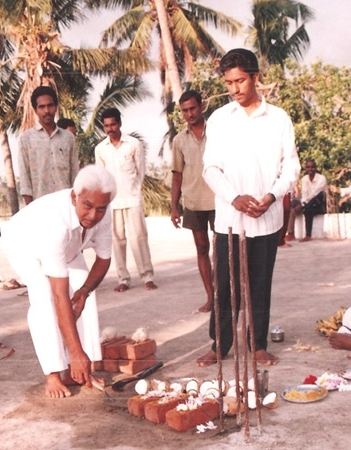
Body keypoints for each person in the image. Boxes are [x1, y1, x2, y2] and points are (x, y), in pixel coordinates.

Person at [197, 48, 300, 368]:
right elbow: (210, 168)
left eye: (240, 80)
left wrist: (271, 196)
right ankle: (219, 344)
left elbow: (291, 167)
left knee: (259, 283)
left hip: (267, 217)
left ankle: (257, 345)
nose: (234, 89)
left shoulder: (279, 118)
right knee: (225, 285)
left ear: (255, 77)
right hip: (230, 218)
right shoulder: (219, 119)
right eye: (229, 83)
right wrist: (234, 198)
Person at [2, 165, 117, 398]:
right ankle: (54, 373)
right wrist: (75, 352)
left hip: (68, 248)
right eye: (87, 206)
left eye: (100, 208)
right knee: (44, 296)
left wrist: (84, 291)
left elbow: (104, 260)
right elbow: (59, 295)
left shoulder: (104, 214)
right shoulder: (55, 223)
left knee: (85, 286)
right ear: (75, 197)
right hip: (24, 244)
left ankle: (81, 368)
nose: (94, 215)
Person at [95, 108, 157, 292]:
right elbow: (101, 177)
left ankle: (147, 276)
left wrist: (134, 192)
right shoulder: (100, 149)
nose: (110, 129)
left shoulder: (133, 144)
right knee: (117, 240)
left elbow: (140, 172)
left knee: (139, 238)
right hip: (112, 203)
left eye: (113, 124)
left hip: (132, 199)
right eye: (106, 126)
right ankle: (123, 279)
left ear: (120, 123)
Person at [171, 90, 215, 312]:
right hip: (193, 202)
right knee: (201, 248)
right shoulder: (179, 140)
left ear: (201, 106)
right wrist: (173, 207)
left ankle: (223, 294)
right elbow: (177, 174)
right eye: (185, 110)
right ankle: (211, 296)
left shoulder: (217, 132)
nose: (189, 114)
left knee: (223, 250)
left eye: (192, 108)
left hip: (219, 200)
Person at [18, 86, 79, 205]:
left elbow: (75, 175)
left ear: (56, 107)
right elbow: (25, 180)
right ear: (35, 110)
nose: (47, 110)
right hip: (40, 204)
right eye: (41, 107)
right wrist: (30, 208)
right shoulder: (26, 138)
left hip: (65, 203)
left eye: (50, 105)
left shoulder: (68, 138)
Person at [288, 159, 327, 242]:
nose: (310, 169)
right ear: (306, 168)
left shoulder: (322, 178)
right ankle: (291, 233)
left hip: (319, 205)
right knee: (293, 203)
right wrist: (302, 204)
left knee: (320, 195)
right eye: (308, 167)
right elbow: (305, 195)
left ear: (315, 168)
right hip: (308, 204)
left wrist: (303, 206)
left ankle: (308, 235)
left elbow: (315, 194)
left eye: (312, 167)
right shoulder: (304, 179)